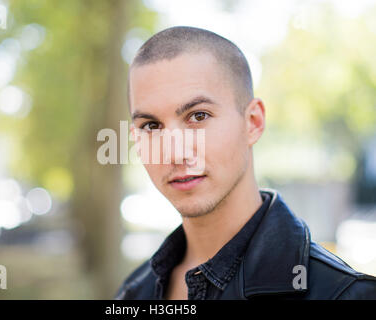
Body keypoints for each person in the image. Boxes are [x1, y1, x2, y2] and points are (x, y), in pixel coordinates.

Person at [115, 26, 376, 300]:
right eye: (151, 125)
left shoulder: (343, 294)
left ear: (253, 123)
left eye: (199, 116)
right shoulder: (133, 292)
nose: (174, 153)